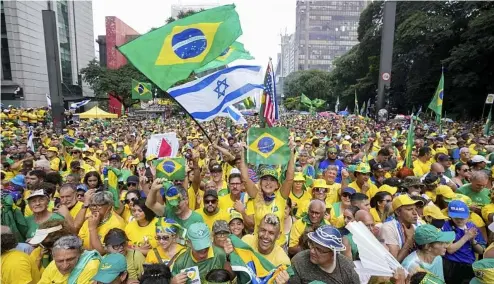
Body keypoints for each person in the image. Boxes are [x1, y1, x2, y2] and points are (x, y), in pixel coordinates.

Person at [289, 225, 360, 283]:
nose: (312, 251)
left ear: (333, 253)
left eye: (319, 250)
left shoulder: (347, 267)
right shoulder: (299, 261)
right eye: (312, 245)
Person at [442, 200, 486, 284]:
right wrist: (466, 237)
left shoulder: (472, 226)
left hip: (470, 264)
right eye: (456, 217)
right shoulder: (447, 226)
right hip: (452, 265)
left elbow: (481, 251)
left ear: (468, 215)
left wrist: (472, 240)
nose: (459, 220)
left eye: (462, 217)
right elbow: (450, 250)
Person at [380, 194, 422, 262]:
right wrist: (409, 240)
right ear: (398, 212)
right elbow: (395, 261)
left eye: (415, 209)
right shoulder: (388, 228)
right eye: (409, 209)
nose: (415, 213)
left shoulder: (417, 225)